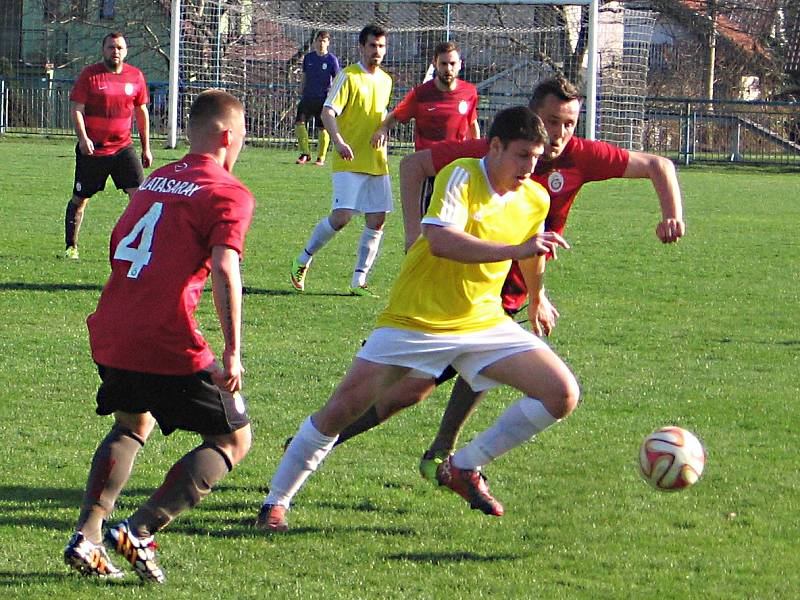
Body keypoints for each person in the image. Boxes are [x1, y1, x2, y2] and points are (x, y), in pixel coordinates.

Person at [324, 75, 685, 481]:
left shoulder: (580, 156)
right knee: (408, 391)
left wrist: (671, 214)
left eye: (569, 123)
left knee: (484, 374)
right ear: (532, 118)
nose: (559, 134)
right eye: (551, 121)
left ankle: (445, 456)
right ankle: (324, 441)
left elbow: (659, 164)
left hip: (507, 291)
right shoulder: (494, 153)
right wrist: (414, 236)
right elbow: (414, 166)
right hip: (458, 286)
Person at [256, 106, 578, 531]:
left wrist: (538, 297)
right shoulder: (463, 174)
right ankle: (276, 503)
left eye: (535, 159)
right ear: (495, 146)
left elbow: (533, 251)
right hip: (416, 320)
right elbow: (441, 240)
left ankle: (463, 467)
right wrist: (514, 252)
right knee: (343, 409)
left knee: (561, 393)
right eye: (521, 156)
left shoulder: (535, 197)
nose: (528, 167)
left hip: (482, 322)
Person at [63, 90, 254, 583]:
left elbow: (118, 242)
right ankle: (142, 530)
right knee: (234, 440)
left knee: (132, 423)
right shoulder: (228, 190)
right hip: (163, 333)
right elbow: (225, 270)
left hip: (111, 323)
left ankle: (87, 536)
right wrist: (232, 352)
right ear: (229, 137)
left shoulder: (157, 179)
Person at [289, 24, 393, 298]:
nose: (377, 51)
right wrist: (338, 141)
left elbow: (380, 115)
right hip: (349, 158)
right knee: (342, 217)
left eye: (381, 46)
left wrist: (383, 129)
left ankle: (359, 281)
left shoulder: (386, 80)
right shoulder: (348, 76)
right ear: (362, 47)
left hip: (377, 162)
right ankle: (303, 258)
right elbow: (327, 112)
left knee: (377, 220)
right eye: (372, 46)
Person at [64, 32, 152, 260]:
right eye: (111, 47)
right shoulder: (90, 76)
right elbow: (76, 108)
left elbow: (141, 113)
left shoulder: (135, 77)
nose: (116, 51)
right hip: (94, 150)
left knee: (139, 196)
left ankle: (134, 245)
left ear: (126, 51)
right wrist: (83, 138)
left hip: (123, 148)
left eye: (120, 47)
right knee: (80, 199)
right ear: (103, 50)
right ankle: (71, 246)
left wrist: (146, 147)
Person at [371, 40, 479, 152]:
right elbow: (395, 115)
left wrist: (477, 152)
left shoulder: (469, 92)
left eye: (452, 63)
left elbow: (472, 124)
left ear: (460, 64)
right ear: (435, 63)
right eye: (443, 63)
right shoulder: (421, 94)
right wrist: (383, 129)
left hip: (456, 164)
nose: (448, 69)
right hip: (428, 164)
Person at [294, 30, 340, 166]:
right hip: (308, 97)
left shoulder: (332, 60)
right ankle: (305, 154)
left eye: (324, 41)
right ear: (315, 42)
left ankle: (321, 157)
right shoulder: (309, 58)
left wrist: (333, 96)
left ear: (328, 43)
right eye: (319, 41)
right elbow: (305, 76)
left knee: (323, 128)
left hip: (323, 99)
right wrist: (301, 88)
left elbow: (337, 80)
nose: (321, 43)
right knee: (299, 123)